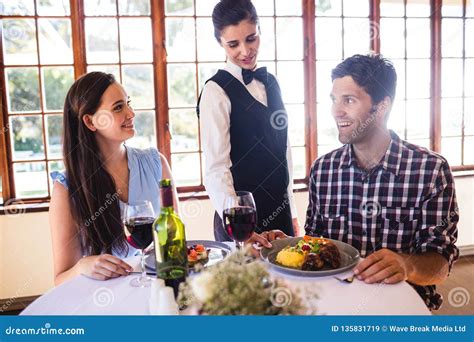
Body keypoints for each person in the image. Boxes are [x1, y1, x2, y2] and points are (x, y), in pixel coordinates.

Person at [304, 54, 459, 310]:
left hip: (402, 310)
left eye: (349, 100)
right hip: (333, 307)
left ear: (382, 105)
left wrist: (407, 265)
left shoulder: (431, 170)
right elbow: (314, 246)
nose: (336, 111)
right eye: (334, 100)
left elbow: (440, 264)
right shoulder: (323, 170)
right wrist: (282, 244)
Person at [49, 72, 178, 285]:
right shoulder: (67, 187)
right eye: (118, 107)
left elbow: (175, 241)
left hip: (157, 290)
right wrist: (83, 266)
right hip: (100, 303)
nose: (131, 113)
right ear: (90, 121)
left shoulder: (157, 164)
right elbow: (60, 279)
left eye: (128, 103)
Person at [198, 0, 300, 242]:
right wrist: (241, 227)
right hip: (240, 219)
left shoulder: (272, 82)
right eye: (233, 44)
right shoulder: (215, 91)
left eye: (251, 38)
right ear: (220, 43)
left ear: (260, 31)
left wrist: (292, 211)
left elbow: (283, 151)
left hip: (280, 214)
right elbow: (216, 169)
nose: (245, 51)